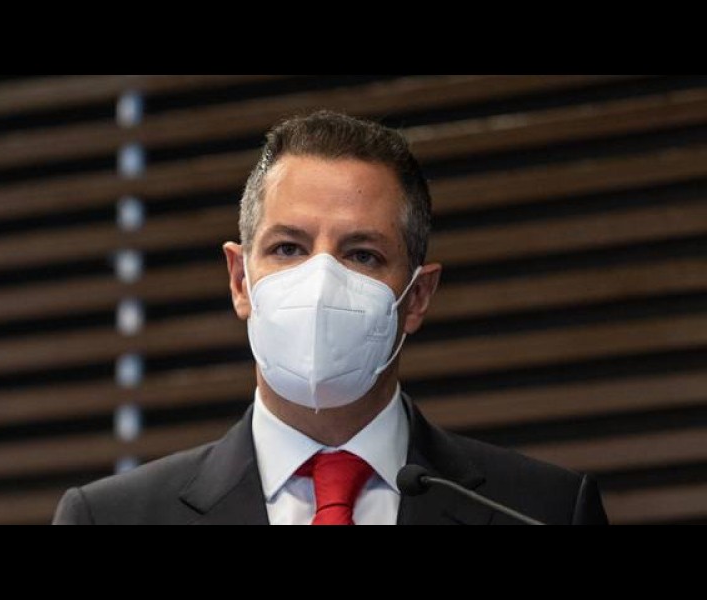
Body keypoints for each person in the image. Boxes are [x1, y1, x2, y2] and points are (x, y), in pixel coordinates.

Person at [53, 110, 609, 525]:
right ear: (240, 280)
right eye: (288, 249)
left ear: (417, 297)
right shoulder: (109, 518)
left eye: (362, 255)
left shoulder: (542, 510)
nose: (320, 281)